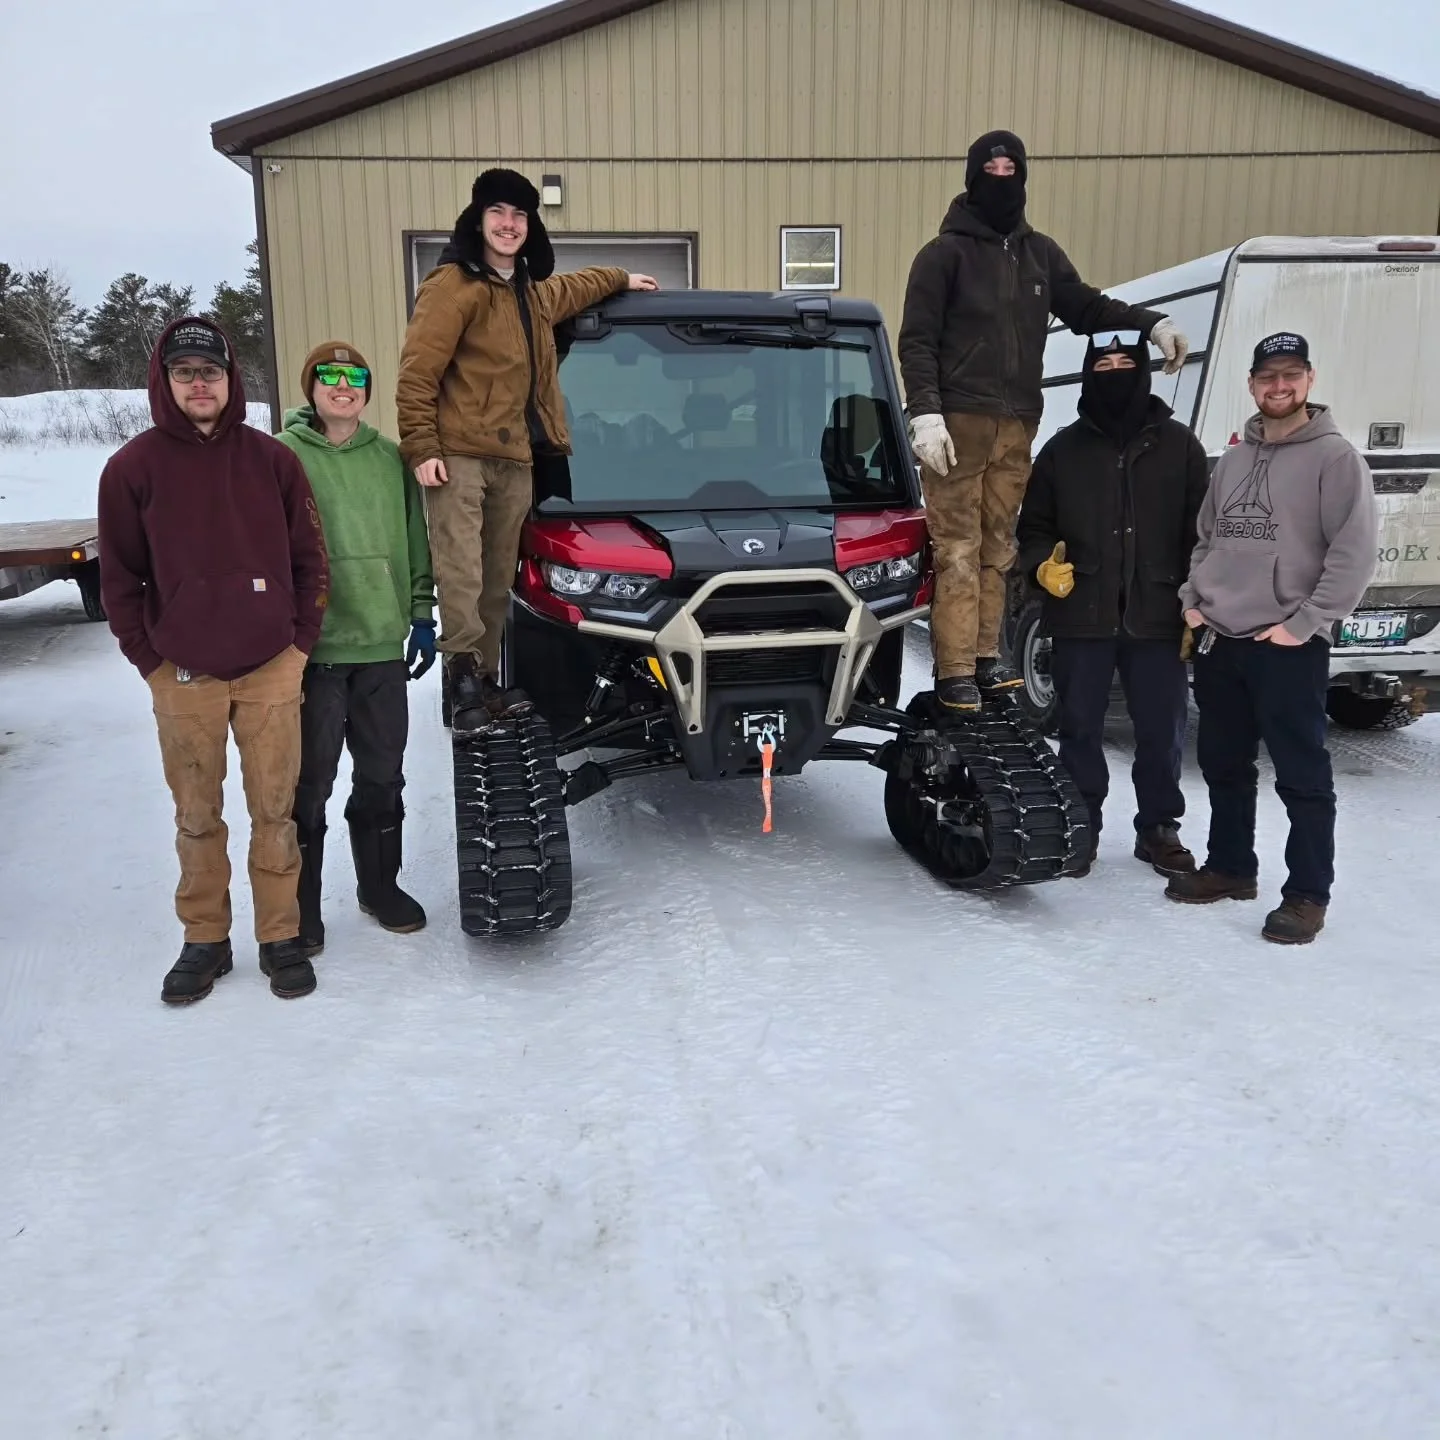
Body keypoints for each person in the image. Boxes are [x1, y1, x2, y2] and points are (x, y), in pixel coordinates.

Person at [898, 130, 1190, 713]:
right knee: (957, 549)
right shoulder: (943, 255)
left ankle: (986, 656)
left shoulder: (1041, 255)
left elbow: (1087, 306)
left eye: (1011, 169)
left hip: (1016, 425)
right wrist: (925, 412)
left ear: (1024, 176)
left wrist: (1149, 323)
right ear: (972, 177)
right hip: (958, 423)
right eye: (991, 170)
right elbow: (918, 340)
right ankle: (955, 670)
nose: (1001, 179)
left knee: (998, 547)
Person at [98, 317, 329, 1003]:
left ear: (232, 381)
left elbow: (311, 559)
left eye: (211, 372)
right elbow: (119, 580)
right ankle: (205, 938)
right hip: (182, 675)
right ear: (165, 381)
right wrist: (149, 660)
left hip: (270, 667)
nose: (200, 384)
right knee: (197, 815)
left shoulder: (273, 461)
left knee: (275, 810)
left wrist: (298, 645)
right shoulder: (131, 469)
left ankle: (280, 936)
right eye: (185, 373)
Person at [396, 167, 659, 736]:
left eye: (519, 215)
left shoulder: (532, 293)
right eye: (498, 212)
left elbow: (577, 287)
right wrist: (421, 446)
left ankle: (486, 679)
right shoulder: (451, 286)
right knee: (461, 573)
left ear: (530, 226)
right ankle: (461, 680)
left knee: (497, 577)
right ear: (478, 220)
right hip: (459, 454)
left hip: (516, 459)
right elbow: (417, 372)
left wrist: (621, 277)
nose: (509, 224)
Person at [1165, 333, 1377, 944]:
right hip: (1221, 638)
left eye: (1290, 375)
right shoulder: (1234, 459)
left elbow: (1353, 554)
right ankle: (1232, 867)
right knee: (1224, 764)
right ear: (1252, 384)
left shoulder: (1336, 458)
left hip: (1286, 644)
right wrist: (1194, 599)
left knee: (1301, 776)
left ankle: (1307, 894)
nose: (1278, 387)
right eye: (1267, 377)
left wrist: (1304, 624)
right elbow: (1207, 538)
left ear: (1309, 379)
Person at [1017, 329, 1209, 877]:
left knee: (1162, 729)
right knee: (1079, 728)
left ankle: (1159, 828)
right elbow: (1033, 529)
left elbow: (1203, 535)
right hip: (1082, 614)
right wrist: (1041, 567)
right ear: (1087, 374)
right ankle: (1082, 826)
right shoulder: (1062, 451)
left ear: (1144, 371)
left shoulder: (1181, 447)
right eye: (1104, 366)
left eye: (1127, 363)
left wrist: (1199, 601)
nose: (1116, 373)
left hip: (1159, 615)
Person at [273, 341, 437, 958]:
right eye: (330, 376)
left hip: (380, 648)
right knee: (309, 781)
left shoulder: (391, 458)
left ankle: (380, 887)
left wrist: (420, 614)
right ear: (311, 387)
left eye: (355, 378)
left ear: (367, 390)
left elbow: (416, 540)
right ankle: (303, 907)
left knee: (382, 774)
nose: (343, 387)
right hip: (310, 652)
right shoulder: (282, 456)